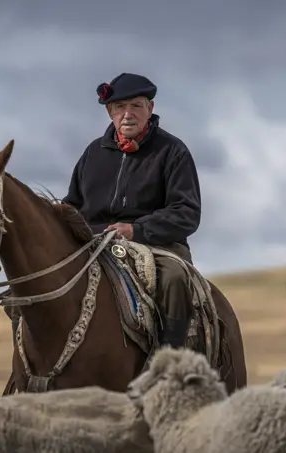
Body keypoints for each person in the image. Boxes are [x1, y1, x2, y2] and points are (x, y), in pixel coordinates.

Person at [61, 72, 202, 350]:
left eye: (136, 105)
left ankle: (169, 364)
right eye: (120, 107)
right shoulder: (93, 153)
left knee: (174, 278)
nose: (128, 114)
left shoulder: (173, 151)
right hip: (93, 243)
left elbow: (186, 212)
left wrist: (137, 230)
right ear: (109, 111)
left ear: (150, 109)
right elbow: (73, 204)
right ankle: (31, 372)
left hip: (157, 246)